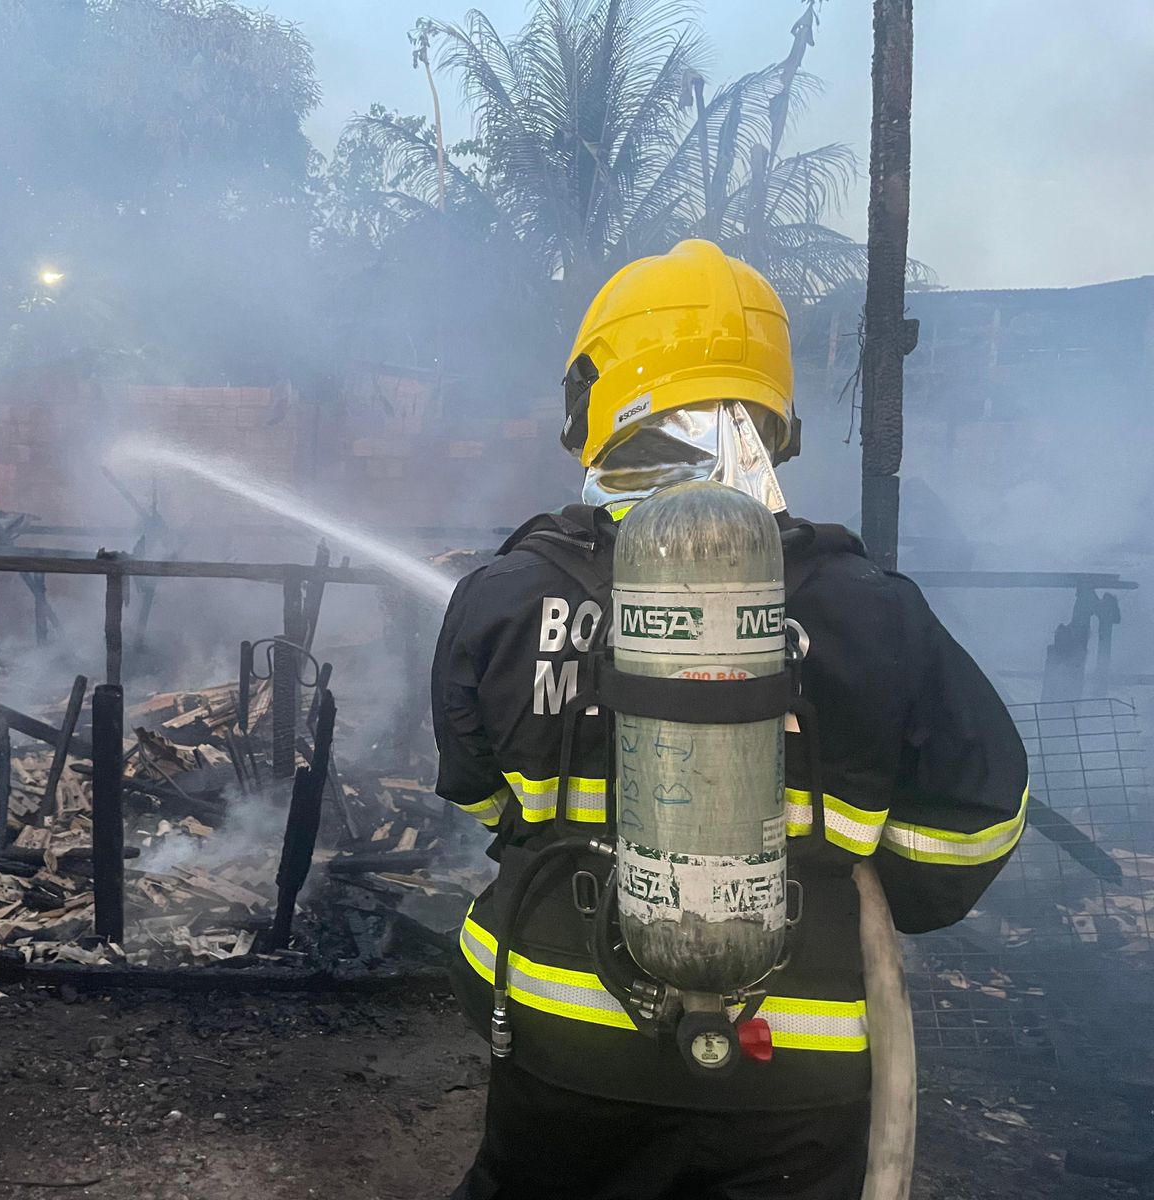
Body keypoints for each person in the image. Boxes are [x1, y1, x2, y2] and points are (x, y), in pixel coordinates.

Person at [432, 239, 1029, 1200]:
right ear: (772, 419)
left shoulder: (504, 597)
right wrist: (872, 880)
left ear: (601, 403)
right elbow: (975, 827)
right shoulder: (873, 608)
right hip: (793, 1073)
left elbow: (478, 798)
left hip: (561, 1043)